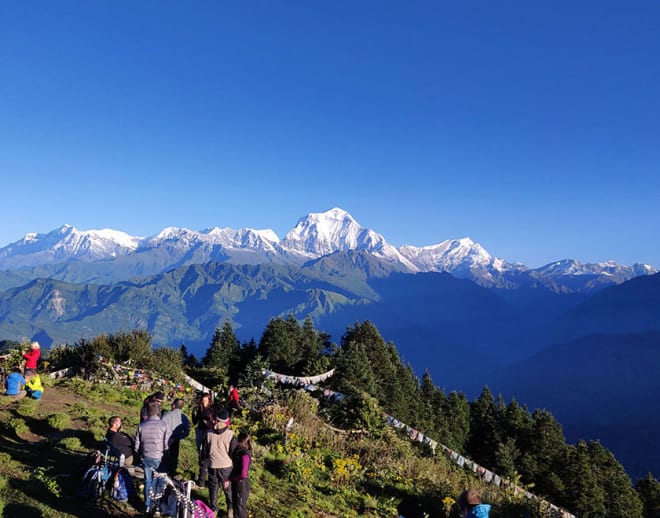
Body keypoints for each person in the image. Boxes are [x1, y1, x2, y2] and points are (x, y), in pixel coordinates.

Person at [134, 402, 171, 513]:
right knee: (159, 482)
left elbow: (137, 445)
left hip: (145, 456)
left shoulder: (141, 425)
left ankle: (147, 505)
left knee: (148, 481)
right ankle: (157, 505)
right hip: (159, 457)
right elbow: (166, 443)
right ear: (158, 412)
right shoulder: (164, 425)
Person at [204, 409, 236, 517]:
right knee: (228, 488)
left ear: (216, 420)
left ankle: (213, 509)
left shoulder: (208, 433)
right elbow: (233, 451)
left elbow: (205, 450)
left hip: (213, 464)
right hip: (226, 465)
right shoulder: (231, 434)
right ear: (227, 421)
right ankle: (230, 509)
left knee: (213, 488)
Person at [161, 398, 191, 476]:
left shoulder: (166, 415)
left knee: (164, 458)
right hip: (175, 441)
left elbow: (160, 428)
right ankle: (171, 474)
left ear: (174, 406)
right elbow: (187, 432)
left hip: (165, 440)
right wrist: (177, 438)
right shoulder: (184, 418)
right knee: (173, 458)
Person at [192, 392, 215, 487]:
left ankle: (203, 478)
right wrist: (194, 414)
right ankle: (202, 476)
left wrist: (208, 423)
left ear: (209, 401)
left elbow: (212, 423)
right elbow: (196, 421)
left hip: (207, 432)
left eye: (206, 401)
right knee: (200, 453)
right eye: (203, 400)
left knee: (204, 454)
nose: (204, 402)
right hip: (200, 431)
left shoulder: (211, 410)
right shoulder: (200, 409)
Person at [229, 432, 252, 518]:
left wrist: (232, 478)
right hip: (237, 481)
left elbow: (243, 474)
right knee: (236, 505)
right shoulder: (237, 451)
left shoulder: (245, 454)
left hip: (241, 483)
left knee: (240, 506)